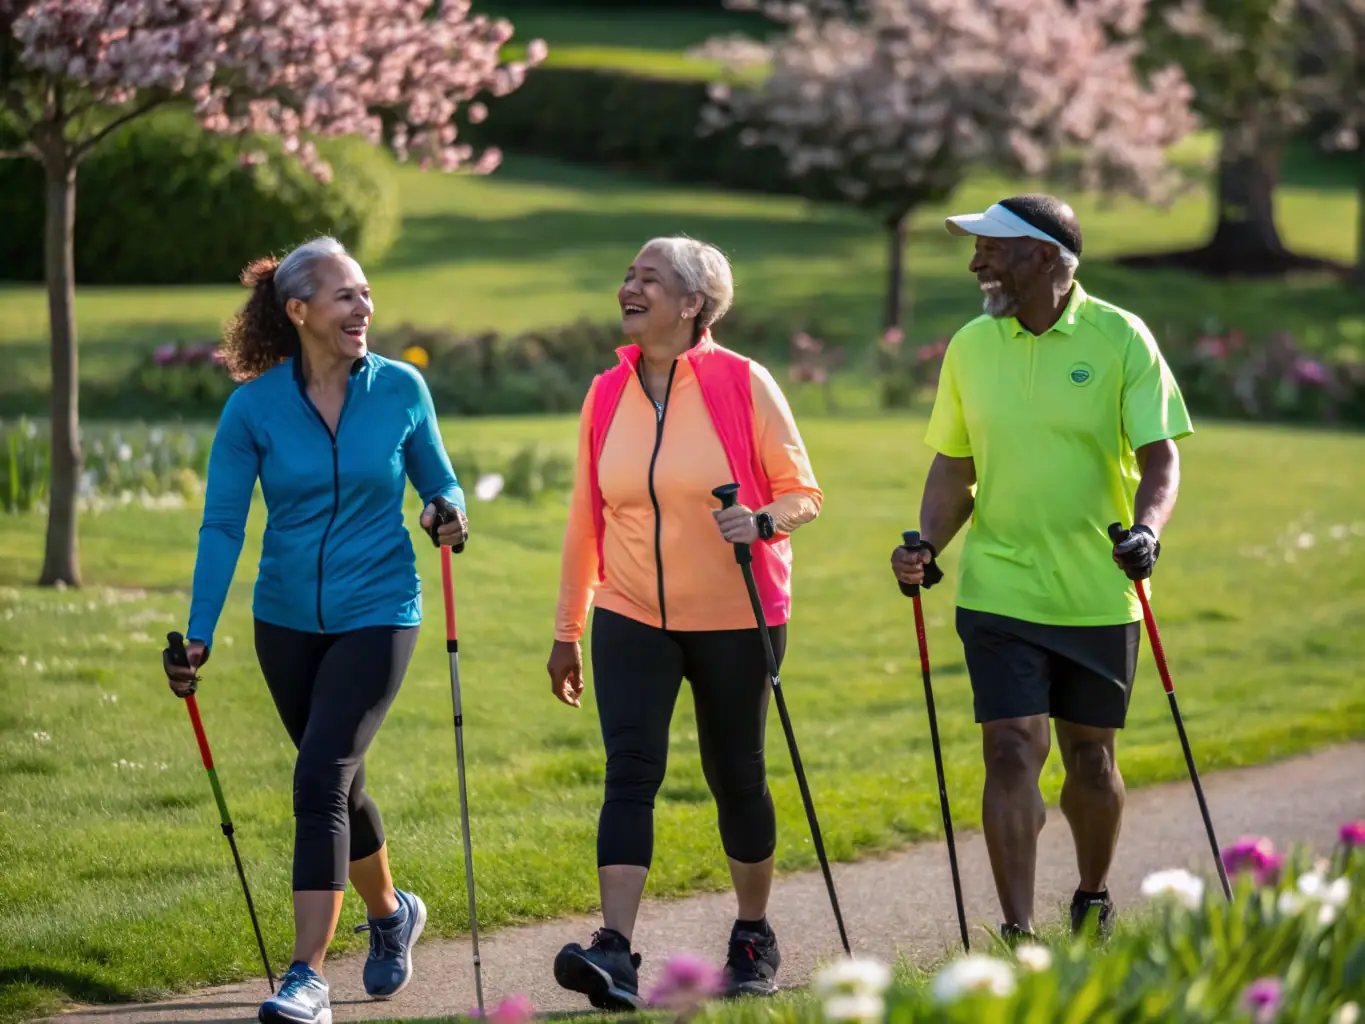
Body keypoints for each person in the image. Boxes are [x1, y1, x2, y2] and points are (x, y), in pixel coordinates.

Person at [161, 236, 469, 1024]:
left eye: (365, 293)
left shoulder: (401, 387)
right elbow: (223, 524)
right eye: (344, 296)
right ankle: (393, 912)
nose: (363, 308)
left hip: (380, 611)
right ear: (298, 311)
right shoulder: (253, 407)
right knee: (341, 781)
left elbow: (438, 479)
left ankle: (306, 978)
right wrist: (199, 631)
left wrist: (447, 510)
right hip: (286, 620)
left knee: (319, 778)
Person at [889, 195, 1193, 942]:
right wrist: (928, 544)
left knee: (1090, 760)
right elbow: (954, 464)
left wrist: (1147, 533)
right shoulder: (970, 346)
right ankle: (1017, 931)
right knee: (1009, 747)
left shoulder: (1120, 337)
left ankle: (1090, 895)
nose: (975, 262)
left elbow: (1160, 456)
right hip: (999, 584)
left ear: (1044, 257)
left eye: (990, 249)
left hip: (1097, 589)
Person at [545, 236, 823, 1008]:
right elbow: (585, 517)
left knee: (735, 774)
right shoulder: (607, 392)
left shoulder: (742, 382)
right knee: (629, 770)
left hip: (738, 612)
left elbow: (803, 490)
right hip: (631, 610)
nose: (629, 286)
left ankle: (752, 932)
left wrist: (763, 520)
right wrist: (570, 627)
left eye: (650, 279)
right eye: (628, 273)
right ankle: (615, 949)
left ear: (693, 302)